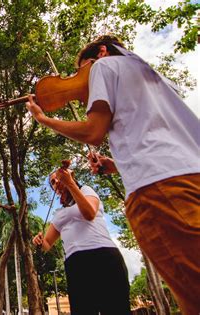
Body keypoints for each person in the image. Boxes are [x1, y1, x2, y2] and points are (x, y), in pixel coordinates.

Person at [26, 35, 200, 314]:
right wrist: (117, 163)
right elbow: (161, 139)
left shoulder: (105, 67)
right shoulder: (154, 77)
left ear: (102, 52)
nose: (81, 80)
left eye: (83, 69)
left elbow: (93, 132)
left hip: (160, 189)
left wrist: (44, 119)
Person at [33, 166, 130, 314]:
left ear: (70, 176)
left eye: (59, 178)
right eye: (53, 182)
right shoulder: (59, 214)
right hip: (76, 264)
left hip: (103, 256)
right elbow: (46, 245)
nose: (56, 182)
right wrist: (39, 241)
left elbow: (90, 213)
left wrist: (70, 183)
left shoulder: (86, 190)